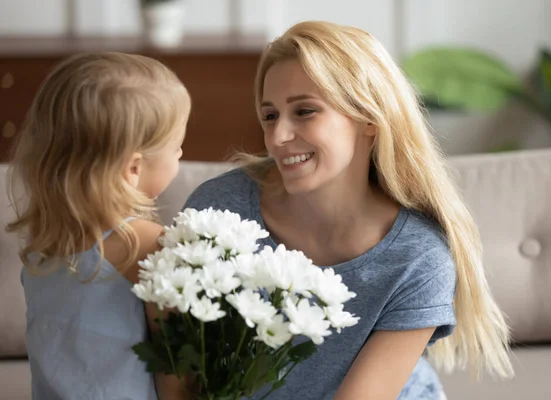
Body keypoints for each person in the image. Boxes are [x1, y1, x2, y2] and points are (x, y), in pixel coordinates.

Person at [183, 21, 514, 399]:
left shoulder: (417, 260)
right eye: (270, 116)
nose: (277, 137)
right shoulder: (219, 210)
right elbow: (180, 358)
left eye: (305, 111)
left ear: (369, 119)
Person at [6, 52, 191, 399]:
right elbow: (176, 369)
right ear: (133, 168)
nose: (181, 154)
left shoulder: (44, 244)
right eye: (177, 147)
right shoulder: (148, 247)